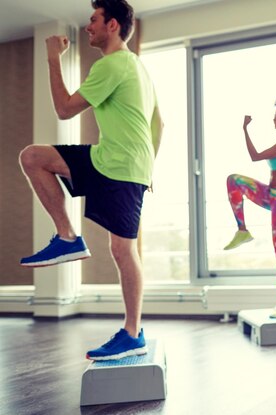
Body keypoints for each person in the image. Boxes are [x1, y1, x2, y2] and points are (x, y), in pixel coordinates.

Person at [19, 0, 163, 360]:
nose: (88, 27)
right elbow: (159, 124)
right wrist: (149, 167)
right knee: (34, 157)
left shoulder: (112, 64)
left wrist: (53, 59)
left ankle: (132, 333)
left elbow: (65, 108)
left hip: (120, 166)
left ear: (112, 25)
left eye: (94, 20)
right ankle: (67, 237)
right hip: (111, 160)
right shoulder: (137, 68)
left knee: (122, 250)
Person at [224, 98, 276, 319]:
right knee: (234, 181)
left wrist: (245, 129)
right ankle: (242, 230)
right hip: (271, 194)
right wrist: (245, 129)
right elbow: (255, 157)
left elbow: (255, 156)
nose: (274, 118)